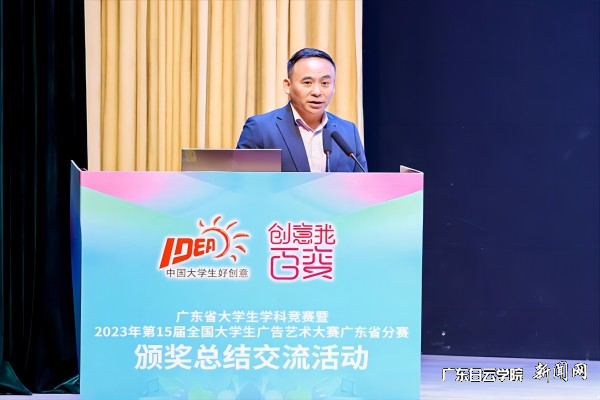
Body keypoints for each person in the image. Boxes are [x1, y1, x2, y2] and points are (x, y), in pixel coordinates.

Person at [236, 48, 367, 172]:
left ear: (334, 86)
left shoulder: (348, 131)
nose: (317, 92)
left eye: (325, 83)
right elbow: (240, 182)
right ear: (288, 85)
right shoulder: (261, 128)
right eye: (307, 83)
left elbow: (361, 183)